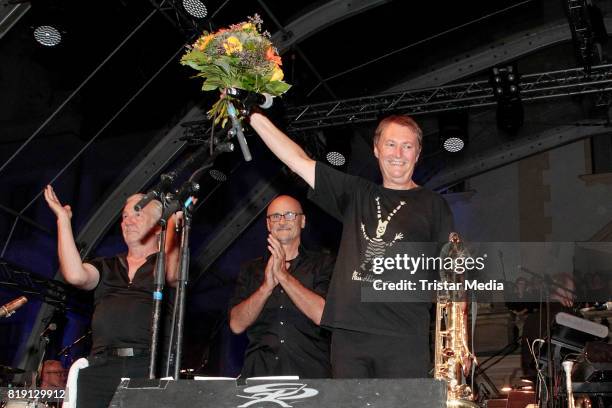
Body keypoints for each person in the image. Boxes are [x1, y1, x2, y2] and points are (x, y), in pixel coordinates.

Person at [248, 112, 454, 378]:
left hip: (404, 336)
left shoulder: (434, 205)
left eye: (408, 146)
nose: (398, 153)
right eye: (391, 144)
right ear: (376, 149)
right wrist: (252, 115)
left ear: (417, 153)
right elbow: (298, 161)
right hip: (350, 337)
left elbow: (449, 277)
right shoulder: (357, 194)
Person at [44, 185, 179, 408]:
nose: (128, 221)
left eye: (137, 214)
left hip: (148, 366)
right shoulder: (108, 265)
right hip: (101, 365)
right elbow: (75, 275)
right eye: (124, 216)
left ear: (158, 227)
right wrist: (63, 220)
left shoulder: (164, 264)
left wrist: (174, 220)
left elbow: (173, 274)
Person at [229, 195, 334, 378]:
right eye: (276, 216)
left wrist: (283, 276)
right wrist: (266, 288)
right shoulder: (250, 269)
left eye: (290, 215)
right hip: (260, 375)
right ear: (268, 224)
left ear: (302, 221)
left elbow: (323, 315)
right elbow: (236, 325)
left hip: (312, 374)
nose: (282, 221)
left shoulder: (324, 264)